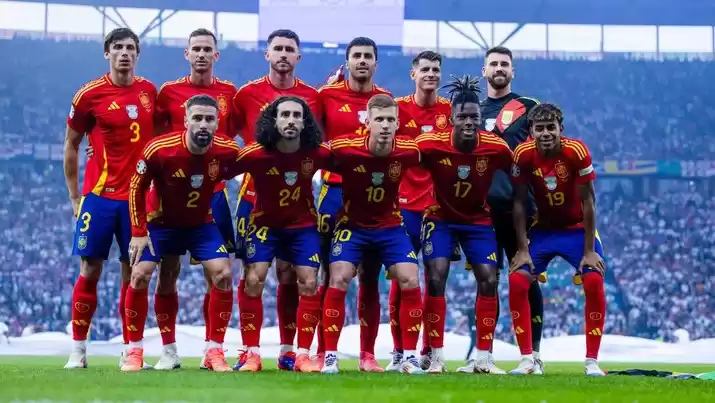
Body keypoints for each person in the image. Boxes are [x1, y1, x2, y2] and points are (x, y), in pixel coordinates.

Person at [121, 94, 238, 372]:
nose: (203, 124)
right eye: (197, 118)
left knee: (223, 274)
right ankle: (137, 350)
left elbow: (257, 162)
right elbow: (136, 186)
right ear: (186, 121)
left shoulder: (228, 150)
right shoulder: (160, 149)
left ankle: (214, 351)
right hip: (161, 224)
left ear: (217, 123)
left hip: (200, 224)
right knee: (140, 275)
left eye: (209, 119)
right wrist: (138, 231)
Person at [63, 28, 156, 370]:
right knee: (90, 269)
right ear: (107, 53)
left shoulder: (149, 91)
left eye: (131, 47)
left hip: (138, 199)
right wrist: (75, 197)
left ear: (137, 54)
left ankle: (130, 349)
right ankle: (78, 349)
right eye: (118, 47)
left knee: (134, 275)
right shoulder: (89, 95)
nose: (124, 53)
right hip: (100, 197)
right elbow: (71, 144)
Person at [231, 29, 321, 371]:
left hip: (298, 203)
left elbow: (326, 144)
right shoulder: (246, 94)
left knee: (291, 276)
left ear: (298, 56)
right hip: (255, 200)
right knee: (250, 275)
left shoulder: (313, 98)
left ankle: (290, 351)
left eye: (289, 49)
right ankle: (247, 350)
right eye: (278, 48)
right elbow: (222, 136)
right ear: (267, 54)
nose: (283, 54)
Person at [151, 27, 238, 370]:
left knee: (217, 274)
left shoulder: (230, 93)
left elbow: (240, 136)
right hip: (171, 195)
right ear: (187, 54)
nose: (201, 54)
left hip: (213, 194)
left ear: (216, 55)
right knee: (168, 271)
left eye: (207, 49)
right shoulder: (168, 92)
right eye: (196, 49)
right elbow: (153, 138)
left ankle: (212, 349)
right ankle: (168, 350)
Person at [320, 94, 425, 375]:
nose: (385, 125)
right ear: (367, 122)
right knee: (339, 277)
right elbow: (311, 158)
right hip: (352, 227)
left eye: (391, 119)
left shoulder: (409, 151)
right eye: (379, 119)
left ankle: (410, 356)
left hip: (390, 227)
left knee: (410, 278)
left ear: (398, 123)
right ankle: (330, 356)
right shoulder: (344, 148)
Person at [416, 75, 511, 374]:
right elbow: (399, 160)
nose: (469, 122)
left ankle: (483, 358)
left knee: (489, 280)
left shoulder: (496, 148)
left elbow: (520, 175)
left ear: (480, 117)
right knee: (436, 277)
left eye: (474, 116)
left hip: (478, 221)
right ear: (451, 118)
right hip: (440, 218)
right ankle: (436, 356)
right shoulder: (430, 144)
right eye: (463, 117)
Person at [316, 36, 396, 371]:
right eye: (357, 56)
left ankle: (367, 354)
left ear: (376, 63)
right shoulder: (327, 95)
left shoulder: (385, 100)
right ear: (347, 61)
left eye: (368, 56)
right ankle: (323, 352)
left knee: (370, 276)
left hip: (371, 197)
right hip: (333, 191)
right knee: (327, 274)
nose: (362, 61)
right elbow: (314, 140)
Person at [508, 103, 606, 376]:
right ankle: (528, 360)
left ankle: (592, 362)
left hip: (577, 229)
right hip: (544, 230)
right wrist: (522, 249)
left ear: (561, 129)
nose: (546, 133)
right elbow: (519, 203)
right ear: (531, 132)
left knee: (593, 280)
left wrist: (589, 250)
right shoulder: (522, 154)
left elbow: (589, 201)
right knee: (517, 280)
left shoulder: (576, 151)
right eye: (540, 128)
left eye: (551, 127)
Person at [481, 45, 545, 374]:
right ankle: (484, 356)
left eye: (504, 64)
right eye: (493, 63)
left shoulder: (529, 107)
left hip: (521, 209)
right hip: (482, 211)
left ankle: (534, 355)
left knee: (526, 279)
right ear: (484, 71)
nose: (499, 68)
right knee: (486, 282)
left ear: (512, 71)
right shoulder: (470, 111)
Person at [388, 50, 453, 371]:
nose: (431, 74)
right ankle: (399, 351)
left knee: (435, 278)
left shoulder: (450, 111)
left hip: (437, 209)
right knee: (402, 280)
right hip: (402, 208)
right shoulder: (397, 109)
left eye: (436, 69)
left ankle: (429, 350)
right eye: (425, 69)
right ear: (413, 74)